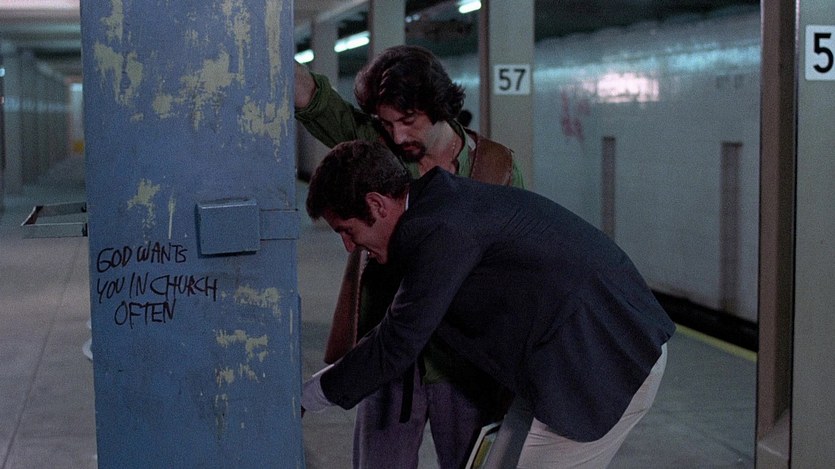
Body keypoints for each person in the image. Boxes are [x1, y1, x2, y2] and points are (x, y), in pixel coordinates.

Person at [302, 140, 676, 468]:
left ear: (377, 204)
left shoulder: (441, 227)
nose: (349, 247)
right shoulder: (437, 208)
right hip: (559, 360)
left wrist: (308, 396)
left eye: (347, 231)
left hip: (601, 359)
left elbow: (397, 341)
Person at [294, 45, 524, 468]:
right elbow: (314, 99)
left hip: (465, 362)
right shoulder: (380, 150)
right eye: (387, 123)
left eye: (408, 121)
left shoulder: (496, 168)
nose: (398, 136)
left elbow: (516, 268)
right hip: (387, 347)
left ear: (439, 108)